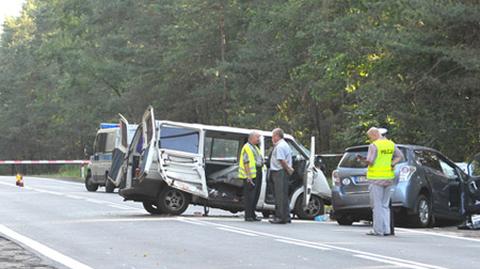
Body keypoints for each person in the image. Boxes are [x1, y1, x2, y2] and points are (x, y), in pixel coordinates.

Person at [357, 127, 403, 236]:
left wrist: (361, 160)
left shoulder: (374, 146)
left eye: (370, 137)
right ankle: (386, 229)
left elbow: (370, 161)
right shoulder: (391, 144)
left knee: (376, 205)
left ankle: (378, 230)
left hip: (376, 178)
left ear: (374, 135)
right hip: (388, 177)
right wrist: (392, 163)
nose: (370, 139)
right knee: (385, 205)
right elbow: (400, 156)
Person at [269, 128, 294, 224]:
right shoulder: (285, 144)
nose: (272, 138)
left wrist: (288, 169)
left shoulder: (280, 146)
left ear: (277, 136)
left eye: (273, 136)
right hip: (282, 172)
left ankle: (280, 217)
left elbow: (281, 160)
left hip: (279, 172)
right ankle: (286, 216)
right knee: (284, 195)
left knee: (280, 195)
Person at [239, 131, 264, 221]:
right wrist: (249, 176)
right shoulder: (247, 147)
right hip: (251, 175)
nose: (258, 139)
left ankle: (252, 214)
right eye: (257, 137)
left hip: (257, 173)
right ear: (251, 138)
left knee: (256, 195)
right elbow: (246, 162)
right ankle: (248, 215)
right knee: (250, 196)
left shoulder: (255, 148)